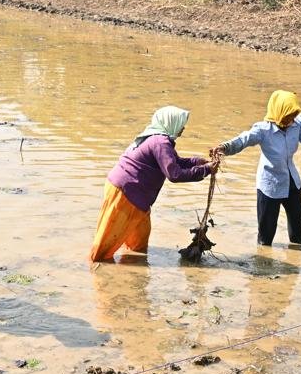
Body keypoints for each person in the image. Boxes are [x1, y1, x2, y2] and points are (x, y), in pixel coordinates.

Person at [89, 106, 216, 262]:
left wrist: (198, 162)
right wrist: (205, 170)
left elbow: (175, 162)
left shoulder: (159, 139)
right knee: (104, 248)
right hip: (125, 193)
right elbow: (174, 174)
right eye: (181, 123)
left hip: (136, 197)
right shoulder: (160, 142)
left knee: (138, 245)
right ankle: (95, 274)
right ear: (171, 123)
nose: (183, 128)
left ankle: (132, 275)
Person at [214, 89, 301, 247]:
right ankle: (264, 261)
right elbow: (243, 140)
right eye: (288, 116)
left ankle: (295, 253)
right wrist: (225, 147)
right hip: (270, 185)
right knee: (266, 235)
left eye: (293, 116)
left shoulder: (298, 124)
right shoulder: (263, 130)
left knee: (298, 225)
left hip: (291, 182)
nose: (291, 120)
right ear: (278, 112)